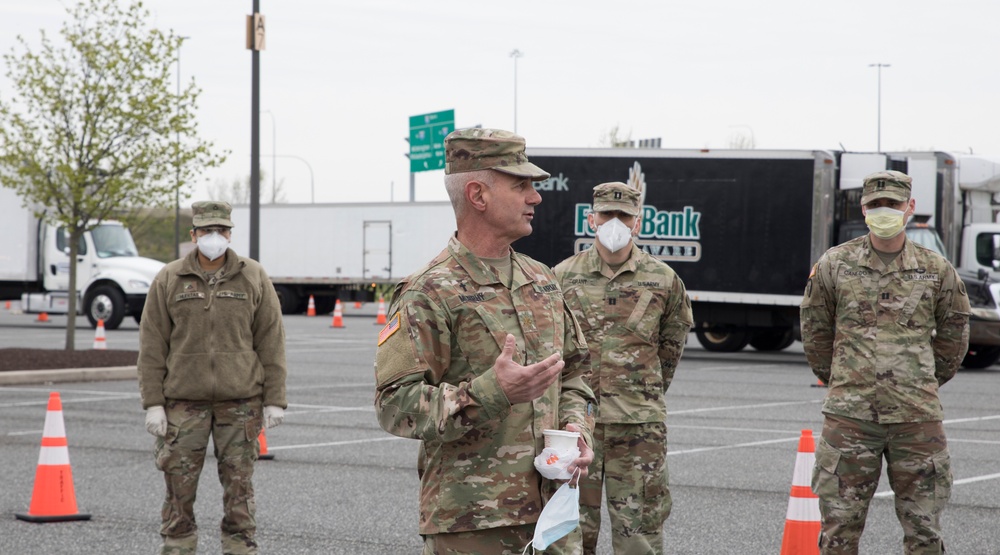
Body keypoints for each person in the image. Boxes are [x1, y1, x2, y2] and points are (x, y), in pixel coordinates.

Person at [374, 128, 596, 554]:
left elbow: (578, 374)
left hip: (556, 514)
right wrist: (490, 393)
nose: (536, 197)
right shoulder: (428, 291)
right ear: (478, 195)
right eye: (522, 185)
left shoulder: (543, 280)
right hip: (473, 524)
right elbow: (394, 405)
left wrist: (577, 429)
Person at [800, 170, 970, 555]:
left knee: (924, 532)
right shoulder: (835, 264)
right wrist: (844, 381)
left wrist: (918, 382)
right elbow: (814, 333)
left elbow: (954, 338)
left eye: (893, 204)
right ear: (864, 209)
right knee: (838, 533)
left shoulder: (936, 270)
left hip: (917, 421)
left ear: (909, 207)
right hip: (850, 420)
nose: (884, 211)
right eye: (876, 205)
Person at [138, 200, 288, 555]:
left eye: (220, 230)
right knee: (178, 488)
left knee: (239, 489)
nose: (214, 237)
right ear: (193, 234)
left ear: (230, 234)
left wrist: (275, 399)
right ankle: (178, 548)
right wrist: (153, 404)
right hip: (183, 405)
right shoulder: (169, 278)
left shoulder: (252, 275)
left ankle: (240, 549)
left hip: (240, 404)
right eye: (206, 231)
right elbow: (152, 343)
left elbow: (271, 339)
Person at [553, 181, 693, 554]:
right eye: (606, 214)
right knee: (570, 532)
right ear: (591, 219)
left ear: (638, 222)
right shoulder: (562, 276)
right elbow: (551, 348)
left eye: (624, 215)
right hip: (576, 426)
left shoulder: (663, 280)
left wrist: (641, 395)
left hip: (639, 431)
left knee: (640, 533)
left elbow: (670, 349)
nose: (614, 221)